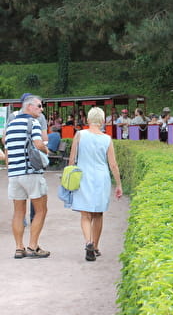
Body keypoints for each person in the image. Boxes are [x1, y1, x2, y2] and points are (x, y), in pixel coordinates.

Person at [68, 107, 123, 261]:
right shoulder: (107, 139)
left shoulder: (79, 135)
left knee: (85, 214)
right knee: (98, 214)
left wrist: (68, 178)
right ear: (103, 121)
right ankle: (96, 245)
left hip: (83, 176)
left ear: (88, 119)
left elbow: (72, 159)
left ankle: (88, 242)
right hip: (101, 177)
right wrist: (118, 184)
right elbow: (113, 164)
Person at [4, 95, 50, 259]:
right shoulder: (33, 123)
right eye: (39, 106)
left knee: (18, 212)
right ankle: (33, 246)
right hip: (30, 173)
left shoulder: (9, 126)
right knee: (41, 210)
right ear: (29, 107)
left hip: (14, 174)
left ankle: (19, 248)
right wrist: (46, 151)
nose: (41, 109)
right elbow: (38, 143)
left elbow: (7, 147)